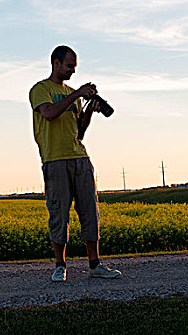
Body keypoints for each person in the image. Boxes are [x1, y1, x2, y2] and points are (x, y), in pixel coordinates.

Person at [29, 45, 122, 282]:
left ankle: (95, 264)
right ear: (56, 63)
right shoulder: (41, 89)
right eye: (69, 66)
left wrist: (89, 109)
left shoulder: (74, 94)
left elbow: (79, 131)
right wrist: (77, 94)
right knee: (59, 214)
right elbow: (49, 114)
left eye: (75, 67)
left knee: (90, 211)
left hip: (79, 157)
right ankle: (60, 266)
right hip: (55, 159)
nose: (72, 71)